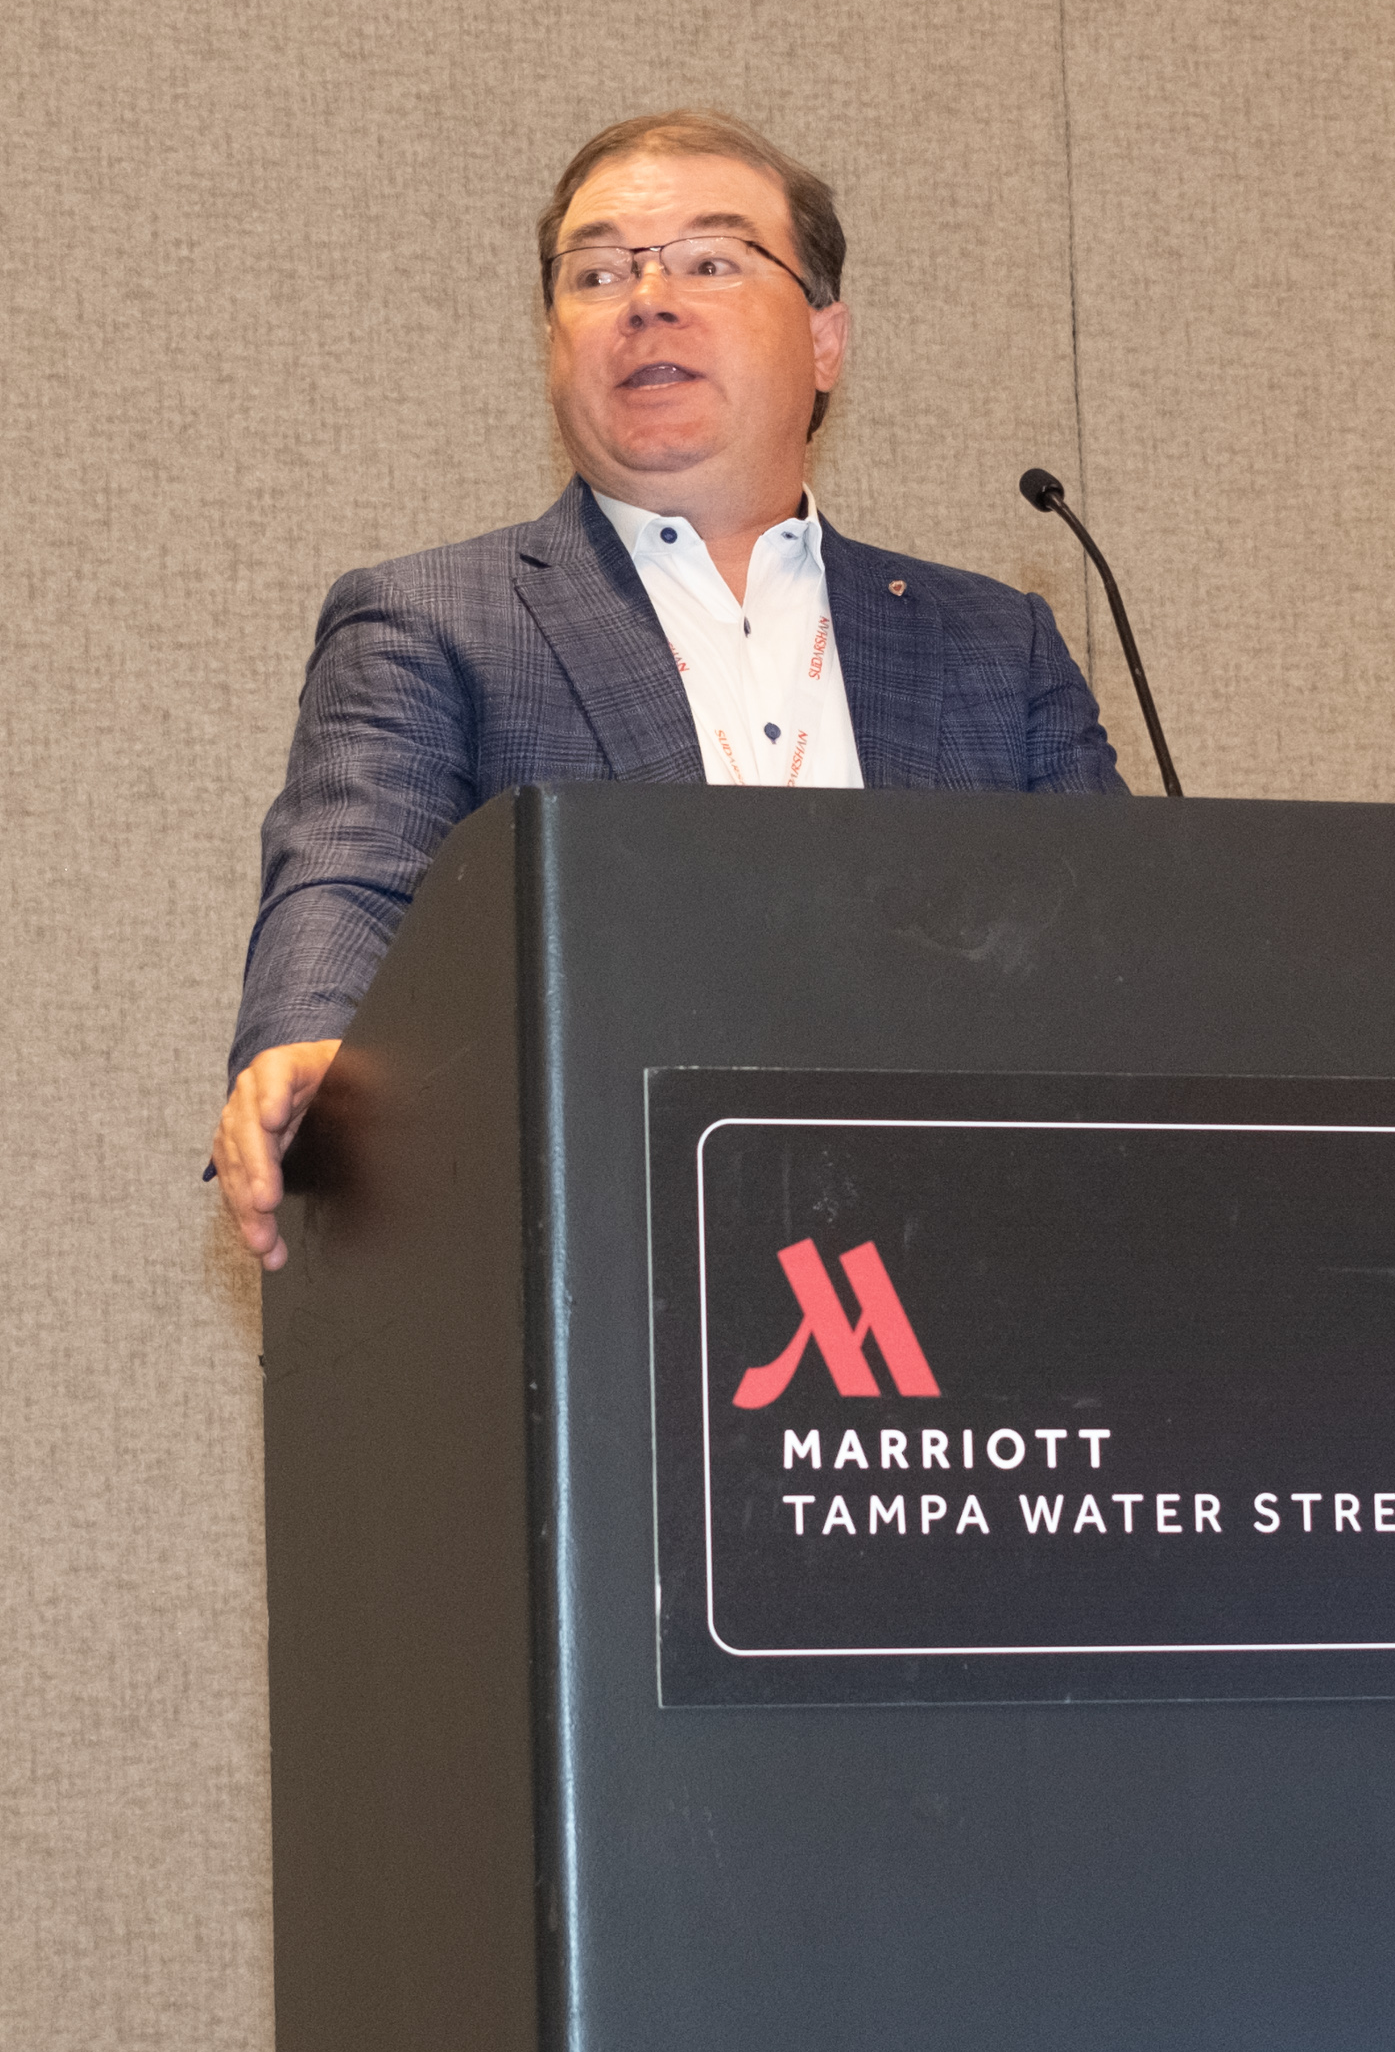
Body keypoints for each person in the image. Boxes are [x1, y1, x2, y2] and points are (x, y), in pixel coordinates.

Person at [212, 109, 1124, 1265]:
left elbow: (1118, 963)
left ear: (826, 338)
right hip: (613, 1252)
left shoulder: (994, 644)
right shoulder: (436, 622)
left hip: (972, 1258)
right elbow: (352, 883)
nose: (647, 300)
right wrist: (314, 1050)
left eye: (710, 261)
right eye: (597, 273)